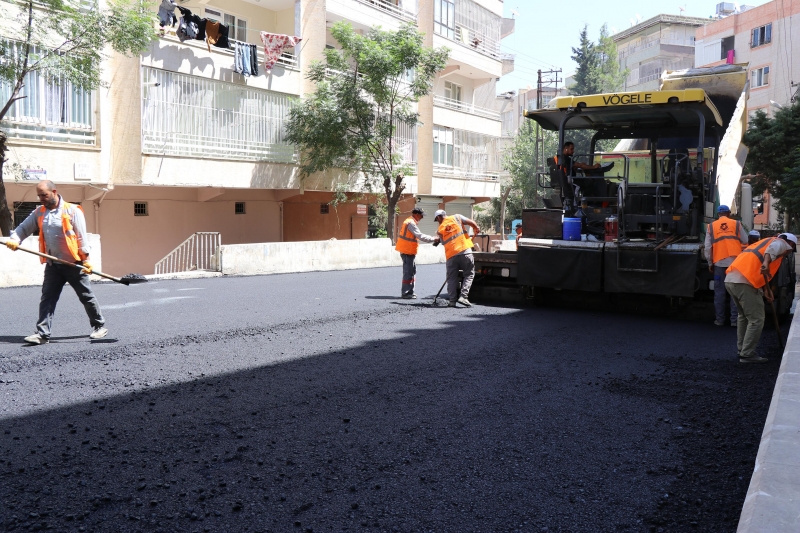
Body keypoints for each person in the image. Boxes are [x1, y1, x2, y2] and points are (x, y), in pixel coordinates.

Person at [4, 180, 108, 345]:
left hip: (74, 264)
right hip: (53, 265)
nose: (41, 199)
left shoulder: (72, 210)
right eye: (39, 195)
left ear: (54, 192)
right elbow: (23, 229)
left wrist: (86, 260)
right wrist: (15, 239)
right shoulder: (39, 212)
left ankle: (99, 326)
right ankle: (42, 334)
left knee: (86, 296)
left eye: (44, 195)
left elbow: (81, 237)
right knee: (48, 298)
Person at [725, 233, 797, 363]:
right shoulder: (780, 243)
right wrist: (765, 262)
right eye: (790, 251)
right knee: (757, 319)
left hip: (731, 279)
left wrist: (766, 290)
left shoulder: (763, 242)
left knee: (744, 316)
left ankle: (742, 349)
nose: (788, 254)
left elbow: (762, 273)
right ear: (790, 245)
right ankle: (747, 354)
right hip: (745, 283)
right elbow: (772, 250)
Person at [704, 205, 748, 326]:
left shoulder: (711, 227)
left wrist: (710, 262)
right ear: (729, 213)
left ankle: (720, 320)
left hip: (719, 263)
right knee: (734, 292)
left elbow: (708, 248)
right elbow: (745, 240)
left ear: (718, 214)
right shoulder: (737, 224)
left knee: (719, 293)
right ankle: (734, 321)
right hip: (734, 264)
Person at [434, 209, 480, 308]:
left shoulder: (440, 229)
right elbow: (471, 222)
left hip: (451, 256)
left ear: (438, 217)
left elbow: (443, 242)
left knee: (451, 278)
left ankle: (452, 301)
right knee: (469, 274)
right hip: (464, 251)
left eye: (437, 219)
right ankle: (463, 296)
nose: (438, 221)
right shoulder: (457, 217)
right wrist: (476, 228)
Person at [395, 207, 438, 299]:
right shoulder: (410, 223)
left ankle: (410, 291)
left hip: (409, 251)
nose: (422, 217)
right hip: (407, 251)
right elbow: (420, 236)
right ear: (417, 214)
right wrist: (434, 238)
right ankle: (406, 293)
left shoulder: (410, 221)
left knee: (412, 271)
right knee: (408, 272)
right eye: (421, 215)